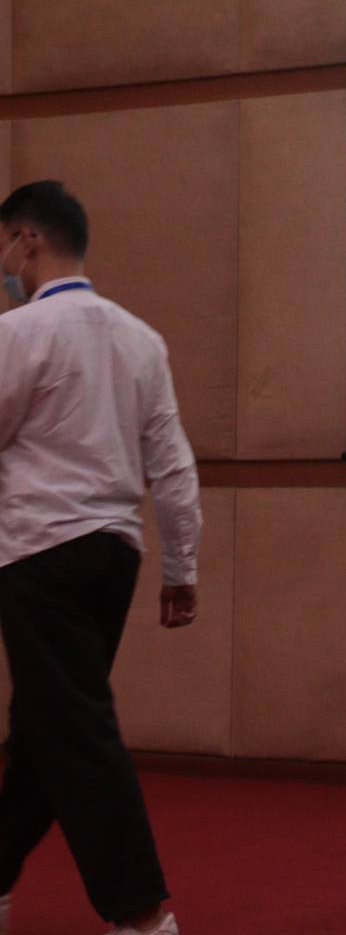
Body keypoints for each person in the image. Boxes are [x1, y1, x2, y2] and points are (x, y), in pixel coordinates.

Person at [0, 181, 201, 935]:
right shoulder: (140, 338)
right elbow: (172, 466)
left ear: (27, 240)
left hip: (38, 552)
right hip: (114, 557)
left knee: (76, 731)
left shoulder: (18, 332)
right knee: (45, 725)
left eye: (4, 246)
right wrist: (180, 568)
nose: (4, 264)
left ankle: (142, 916)